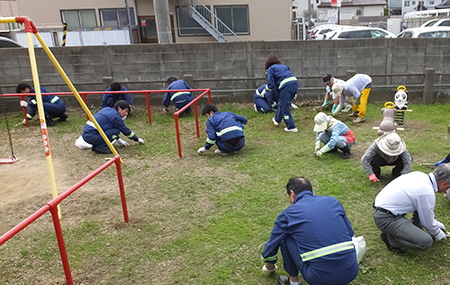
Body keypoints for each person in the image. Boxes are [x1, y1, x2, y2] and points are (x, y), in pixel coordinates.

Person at [261, 177, 359, 285]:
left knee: (285, 237)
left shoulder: (287, 215)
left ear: (292, 194)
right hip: (351, 271)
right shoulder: (333, 201)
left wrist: (269, 265)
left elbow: (272, 244)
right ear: (312, 192)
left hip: (319, 278)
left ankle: (293, 281)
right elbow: (350, 233)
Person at [373, 163, 450, 254]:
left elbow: (424, 212)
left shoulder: (419, 175)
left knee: (420, 212)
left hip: (384, 209)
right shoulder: (426, 192)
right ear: (445, 183)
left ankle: (411, 230)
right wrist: (437, 233)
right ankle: (391, 240)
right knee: (425, 241)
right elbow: (428, 222)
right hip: (386, 218)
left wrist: (435, 223)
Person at [80, 100, 144, 154]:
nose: (126, 114)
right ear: (119, 108)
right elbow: (126, 131)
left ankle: (97, 146)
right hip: (92, 136)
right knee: (116, 131)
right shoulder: (116, 117)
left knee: (114, 130)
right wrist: (137, 139)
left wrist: (118, 139)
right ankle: (101, 148)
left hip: (87, 134)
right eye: (126, 111)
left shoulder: (106, 109)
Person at [265, 54, 299, 132]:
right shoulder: (284, 66)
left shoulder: (271, 69)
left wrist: (269, 91)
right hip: (294, 83)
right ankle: (277, 120)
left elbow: (271, 83)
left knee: (285, 108)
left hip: (286, 86)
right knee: (283, 103)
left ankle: (291, 127)